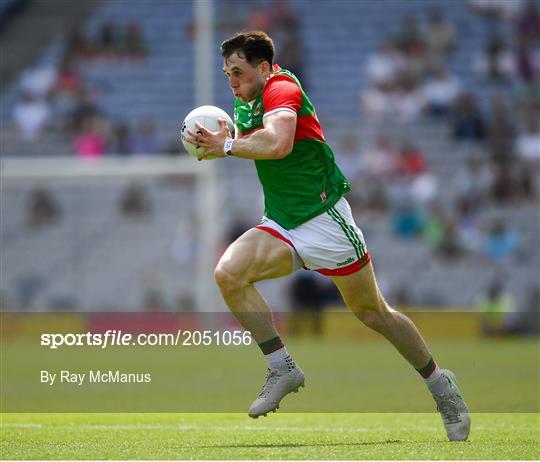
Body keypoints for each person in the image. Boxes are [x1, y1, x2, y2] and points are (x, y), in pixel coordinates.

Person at [186, 31, 470, 441]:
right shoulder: (244, 99)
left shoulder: (282, 88)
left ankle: (441, 386)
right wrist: (225, 141)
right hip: (282, 222)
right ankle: (282, 368)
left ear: (264, 68)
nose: (232, 81)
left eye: (239, 72)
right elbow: (257, 141)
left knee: (373, 314)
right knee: (228, 274)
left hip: (325, 221)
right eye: (227, 73)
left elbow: (280, 142)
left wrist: (228, 145)